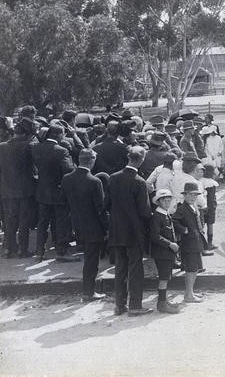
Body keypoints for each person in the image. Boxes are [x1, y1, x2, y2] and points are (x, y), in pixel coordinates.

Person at [108, 146, 153, 316]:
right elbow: (144, 211)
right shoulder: (139, 181)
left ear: (128, 157)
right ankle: (135, 305)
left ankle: (119, 305)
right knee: (135, 268)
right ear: (141, 160)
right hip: (134, 231)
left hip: (117, 229)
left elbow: (107, 203)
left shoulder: (113, 178)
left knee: (120, 269)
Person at [62, 149, 108, 302]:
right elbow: (100, 209)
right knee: (91, 261)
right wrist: (107, 228)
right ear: (92, 160)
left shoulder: (67, 178)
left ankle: (88, 290)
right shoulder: (95, 181)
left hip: (77, 225)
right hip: (94, 227)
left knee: (88, 259)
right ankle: (88, 292)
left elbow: (65, 202)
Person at [32, 124, 77, 262]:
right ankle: (61, 251)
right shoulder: (61, 151)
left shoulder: (36, 148)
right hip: (58, 191)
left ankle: (39, 252)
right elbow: (68, 170)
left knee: (43, 223)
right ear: (58, 135)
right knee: (61, 221)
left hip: (42, 190)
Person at [0, 120, 37, 258]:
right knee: (24, 221)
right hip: (25, 190)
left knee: (10, 221)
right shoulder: (29, 146)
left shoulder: (2, 147)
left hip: (7, 190)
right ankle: (23, 249)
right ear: (26, 134)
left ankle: (9, 249)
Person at [172, 182, 206, 303]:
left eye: (195, 195)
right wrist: (184, 230)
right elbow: (174, 221)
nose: (193, 197)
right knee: (190, 269)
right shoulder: (182, 208)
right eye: (191, 195)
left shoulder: (193, 206)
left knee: (195, 268)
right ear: (185, 195)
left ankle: (190, 292)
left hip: (195, 242)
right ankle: (188, 295)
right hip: (189, 243)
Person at [149, 189, 181, 314]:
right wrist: (170, 244)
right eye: (164, 200)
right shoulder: (156, 216)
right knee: (163, 278)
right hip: (161, 252)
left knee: (166, 277)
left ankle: (164, 300)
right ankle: (161, 303)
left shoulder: (165, 214)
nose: (167, 202)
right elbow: (155, 236)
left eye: (169, 200)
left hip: (167, 252)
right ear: (158, 202)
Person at [201, 164, 219, 250]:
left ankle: (201, 243)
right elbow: (211, 197)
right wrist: (213, 206)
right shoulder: (211, 183)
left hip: (201, 205)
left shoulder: (200, 181)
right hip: (210, 206)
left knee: (201, 224)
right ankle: (209, 243)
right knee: (210, 224)